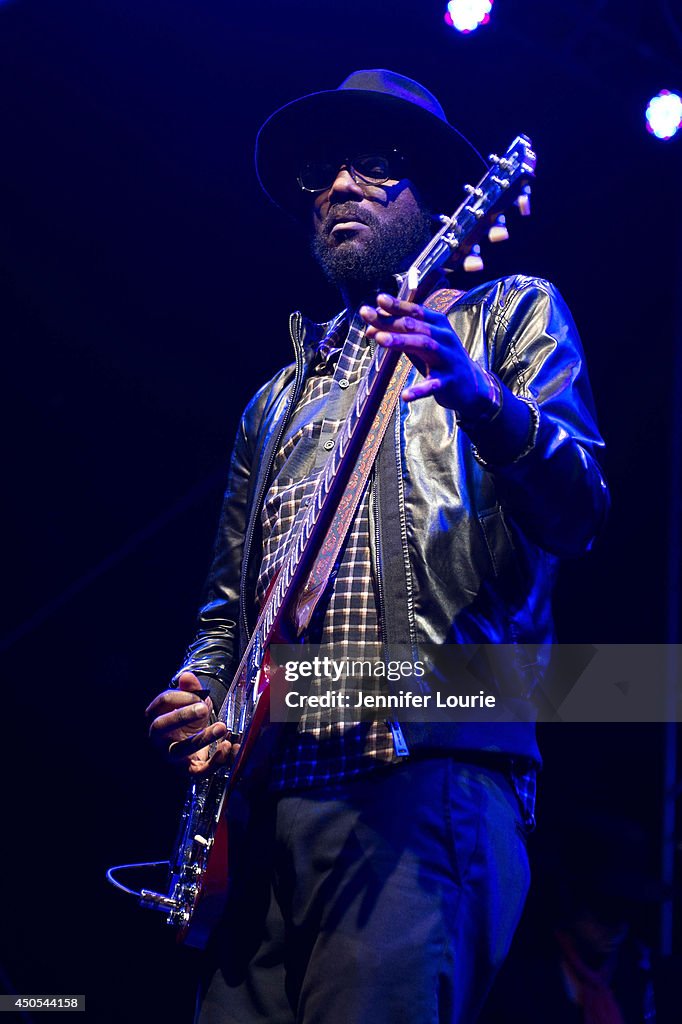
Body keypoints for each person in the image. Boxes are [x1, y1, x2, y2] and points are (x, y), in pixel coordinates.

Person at [145, 70, 609, 1023]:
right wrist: (202, 691)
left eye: (376, 164)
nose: (340, 186)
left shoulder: (509, 315)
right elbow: (226, 613)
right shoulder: (276, 402)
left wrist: (478, 395)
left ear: (438, 190)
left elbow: (581, 511)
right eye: (320, 173)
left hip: (424, 776)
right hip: (266, 810)